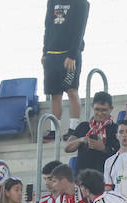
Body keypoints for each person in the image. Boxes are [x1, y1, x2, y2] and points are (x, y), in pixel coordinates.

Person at [41, 0, 89, 130]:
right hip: (52, 54)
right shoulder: (52, 2)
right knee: (55, 94)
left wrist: (72, 55)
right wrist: (45, 52)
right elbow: (48, 26)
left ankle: (74, 128)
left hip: (69, 54)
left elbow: (80, 29)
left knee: (72, 90)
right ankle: (54, 130)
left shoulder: (81, 3)